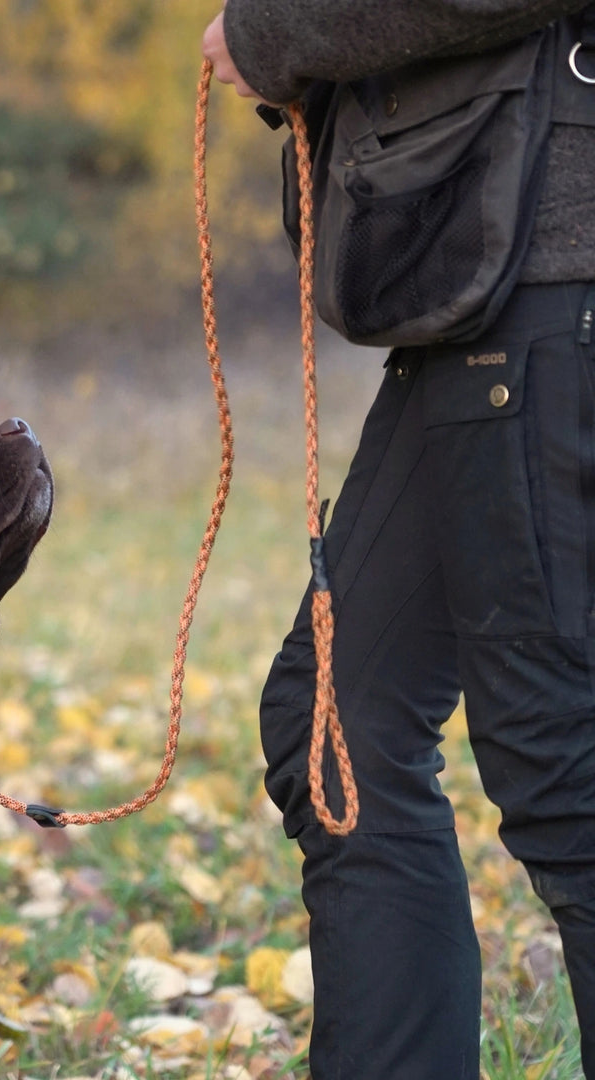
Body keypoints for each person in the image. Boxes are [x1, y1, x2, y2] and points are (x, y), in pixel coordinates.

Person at [203, 4, 595, 1078]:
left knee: (565, 762)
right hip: (488, 297)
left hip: (553, 282)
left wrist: (275, 33)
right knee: (341, 720)